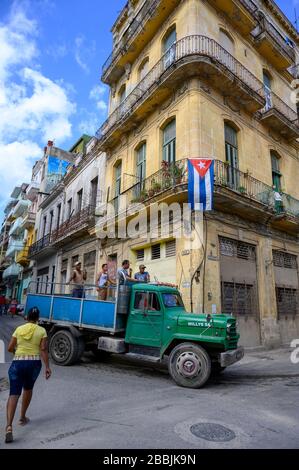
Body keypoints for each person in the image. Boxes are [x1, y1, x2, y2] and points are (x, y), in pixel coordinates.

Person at [5, 307, 51, 444]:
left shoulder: (19, 329)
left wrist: (17, 353)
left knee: (13, 394)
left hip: (17, 364)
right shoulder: (41, 331)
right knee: (28, 389)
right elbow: (43, 350)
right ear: (37, 319)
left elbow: (9, 348)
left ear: (26, 317)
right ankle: (22, 417)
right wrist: (47, 367)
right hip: (34, 364)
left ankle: (8, 426)